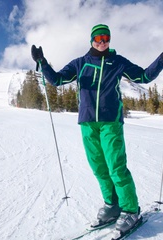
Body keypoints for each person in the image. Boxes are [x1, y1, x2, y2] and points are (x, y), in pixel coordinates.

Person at [31, 23, 163, 234]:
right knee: (99, 168)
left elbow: (144, 76)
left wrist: (161, 59)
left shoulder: (117, 62)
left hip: (111, 122)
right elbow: (56, 80)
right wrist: (42, 62)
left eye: (106, 38)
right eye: (99, 38)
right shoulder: (80, 63)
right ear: (91, 40)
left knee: (116, 167)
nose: (103, 42)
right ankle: (112, 205)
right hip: (87, 123)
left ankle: (130, 209)